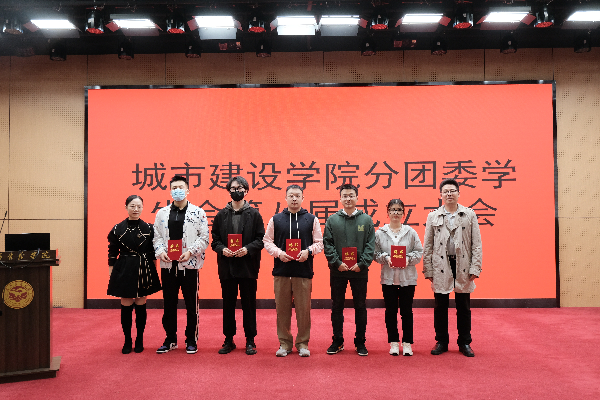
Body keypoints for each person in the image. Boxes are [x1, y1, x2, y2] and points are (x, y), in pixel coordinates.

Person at [423, 178, 482, 357]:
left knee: (463, 307)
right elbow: (428, 245)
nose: (449, 194)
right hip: (441, 264)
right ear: (440, 195)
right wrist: (428, 269)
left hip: (462, 264)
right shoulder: (433, 216)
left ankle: (465, 342)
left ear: (458, 193)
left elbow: (476, 244)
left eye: (452, 191)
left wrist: (475, 267)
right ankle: (441, 341)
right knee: (440, 306)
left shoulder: (469, 214)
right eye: (446, 191)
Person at [263, 184, 324, 357]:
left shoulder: (311, 219)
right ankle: (285, 344)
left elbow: (320, 243)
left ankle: (303, 343)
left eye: (297, 195)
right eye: (291, 195)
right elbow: (267, 241)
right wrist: (279, 253)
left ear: (303, 198)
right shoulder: (276, 219)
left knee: (303, 311)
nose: (294, 199)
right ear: (286, 198)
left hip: (303, 271)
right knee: (282, 310)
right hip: (281, 271)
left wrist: (308, 252)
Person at [153, 175, 209, 354]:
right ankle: (170, 339)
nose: (177, 190)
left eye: (181, 187)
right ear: (170, 191)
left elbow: (204, 238)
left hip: (189, 266)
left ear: (187, 190)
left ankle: (191, 340)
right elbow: (157, 237)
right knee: (169, 304)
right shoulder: (162, 213)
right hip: (168, 265)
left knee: (191, 305)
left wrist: (190, 252)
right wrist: (161, 251)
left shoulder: (198, 212)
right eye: (174, 187)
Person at [211, 176, 265, 355]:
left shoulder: (254, 214)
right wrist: (222, 249)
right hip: (227, 266)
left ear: (246, 191)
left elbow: (261, 240)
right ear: (229, 191)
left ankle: (250, 339)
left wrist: (247, 249)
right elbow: (215, 241)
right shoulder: (221, 215)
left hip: (247, 266)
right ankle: (229, 339)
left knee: (249, 305)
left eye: (240, 188)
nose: (237, 191)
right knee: (228, 305)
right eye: (233, 188)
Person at [323, 183, 375, 356]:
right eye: (345, 196)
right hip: (338, 270)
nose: (348, 199)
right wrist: (337, 262)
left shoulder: (366, 220)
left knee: (360, 306)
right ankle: (337, 340)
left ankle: (360, 342)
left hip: (360, 271)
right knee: (337, 306)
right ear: (340, 199)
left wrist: (362, 264)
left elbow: (370, 245)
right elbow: (327, 243)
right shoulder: (332, 220)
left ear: (357, 198)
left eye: (351, 195)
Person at [107, 195, 161, 354]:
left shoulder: (149, 228)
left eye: (139, 206)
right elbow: (112, 252)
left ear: (143, 208)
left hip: (144, 267)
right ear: (126, 207)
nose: (135, 209)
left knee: (140, 304)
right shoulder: (117, 229)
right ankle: (127, 339)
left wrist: (153, 271)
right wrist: (112, 272)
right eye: (132, 206)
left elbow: (153, 253)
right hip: (124, 268)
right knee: (126, 305)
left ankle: (139, 339)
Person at [374, 199, 423, 356]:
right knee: (390, 311)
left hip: (407, 278)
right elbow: (374, 253)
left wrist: (408, 259)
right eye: (393, 209)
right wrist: (385, 258)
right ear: (388, 212)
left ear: (403, 213)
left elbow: (419, 252)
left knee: (406, 311)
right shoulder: (380, 233)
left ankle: (407, 343)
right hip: (388, 278)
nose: (396, 213)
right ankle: (394, 342)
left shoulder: (410, 232)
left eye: (399, 210)